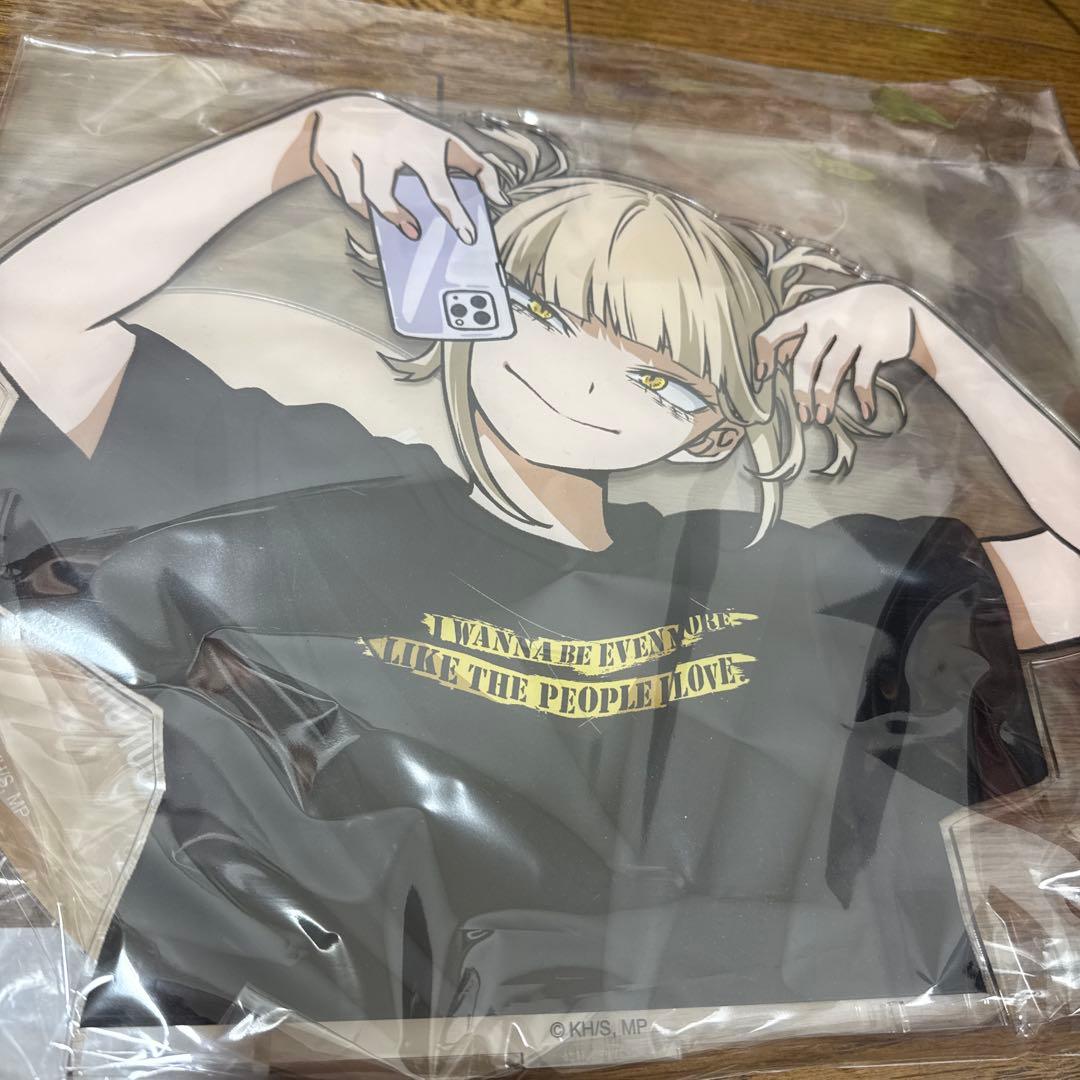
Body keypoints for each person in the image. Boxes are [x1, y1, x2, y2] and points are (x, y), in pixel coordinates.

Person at [0, 92, 1074, 1027]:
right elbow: (31, 318)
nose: (583, 378)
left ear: (711, 430)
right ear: (462, 306)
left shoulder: (780, 574)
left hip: (790, 1045)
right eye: (542, 314)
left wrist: (933, 340)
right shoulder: (304, 493)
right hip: (303, 1042)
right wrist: (303, 137)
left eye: (661, 379)